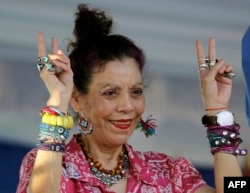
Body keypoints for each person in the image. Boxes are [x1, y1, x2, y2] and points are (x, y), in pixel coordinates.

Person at [16, 3, 247, 193]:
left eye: (135, 92)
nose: (127, 106)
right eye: (110, 93)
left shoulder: (169, 172)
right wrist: (57, 102)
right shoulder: (50, 164)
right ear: (77, 100)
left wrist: (218, 112)